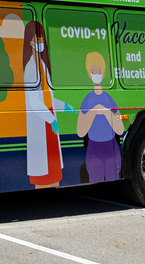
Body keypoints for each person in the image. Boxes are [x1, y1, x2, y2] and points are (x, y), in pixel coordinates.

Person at [23, 21, 69, 188]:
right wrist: (52, 120)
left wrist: (64, 106)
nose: (41, 43)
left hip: (48, 124)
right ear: (30, 42)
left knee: (54, 172)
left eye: (42, 40)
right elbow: (35, 102)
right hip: (42, 124)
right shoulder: (30, 68)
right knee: (42, 175)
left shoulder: (42, 66)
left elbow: (47, 97)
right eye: (38, 39)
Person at [76, 52, 124, 183]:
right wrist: (93, 112)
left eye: (98, 71)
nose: (96, 74)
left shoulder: (109, 99)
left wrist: (106, 112)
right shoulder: (87, 100)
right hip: (94, 150)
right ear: (88, 74)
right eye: (93, 71)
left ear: (103, 74)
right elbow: (80, 131)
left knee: (112, 180)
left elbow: (120, 129)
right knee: (95, 181)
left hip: (111, 148)